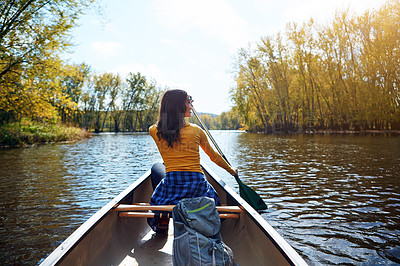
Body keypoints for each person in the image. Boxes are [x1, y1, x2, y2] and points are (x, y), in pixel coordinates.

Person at [148, 89, 238, 232]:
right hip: (197, 187)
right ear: (179, 106)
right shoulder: (197, 131)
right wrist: (231, 170)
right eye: (189, 102)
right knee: (201, 180)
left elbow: (165, 126)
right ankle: (202, 217)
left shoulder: (154, 130)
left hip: (173, 186)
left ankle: (163, 217)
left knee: (156, 168)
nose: (191, 106)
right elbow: (214, 157)